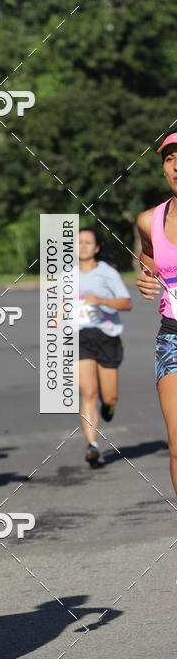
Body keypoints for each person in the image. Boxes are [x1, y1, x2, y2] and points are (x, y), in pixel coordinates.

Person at [136, 132, 177, 493]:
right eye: (169, 158)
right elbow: (149, 255)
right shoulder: (150, 219)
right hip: (172, 337)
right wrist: (147, 275)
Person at [78, 228, 132, 468]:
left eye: (88, 242)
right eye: (79, 242)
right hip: (80, 336)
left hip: (107, 336)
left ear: (97, 247)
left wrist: (100, 300)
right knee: (89, 392)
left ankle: (110, 405)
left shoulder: (107, 273)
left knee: (108, 396)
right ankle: (92, 445)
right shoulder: (65, 275)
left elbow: (126, 303)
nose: (83, 246)